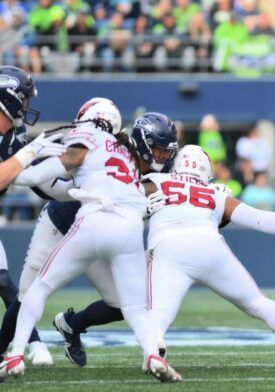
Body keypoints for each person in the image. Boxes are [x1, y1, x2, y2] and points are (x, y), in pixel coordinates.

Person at [0, 104, 180, 382]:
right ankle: (5, 351)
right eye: (158, 150)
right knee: (27, 293)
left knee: (121, 303)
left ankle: (70, 326)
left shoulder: (116, 149)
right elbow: (57, 189)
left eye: (165, 152)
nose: (163, 157)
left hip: (97, 225)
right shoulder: (106, 144)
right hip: (63, 221)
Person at [142, 145, 275, 371]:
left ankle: (154, 346)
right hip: (210, 247)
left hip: (169, 248)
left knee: (156, 314)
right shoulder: (216, 192)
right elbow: (258, 219)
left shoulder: (155, 181)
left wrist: (141, 207)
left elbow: (119, 202)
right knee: (259, 304)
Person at [0, 65, 64, 368]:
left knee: (3, 282)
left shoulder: (13, 136)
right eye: (24, 99)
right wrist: (31, 152)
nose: (27, 106)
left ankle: (31, 343)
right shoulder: (19, 144)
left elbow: (40, 185)